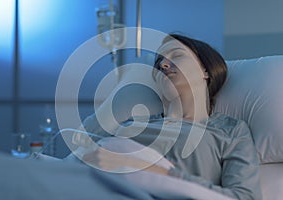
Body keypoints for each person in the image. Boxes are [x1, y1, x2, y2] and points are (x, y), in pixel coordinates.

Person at [81, 34, 262, 200]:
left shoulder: (230, 131)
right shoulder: (131, 124)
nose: (163, 65)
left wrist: (147, 170)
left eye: (177, 55)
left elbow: (244, 197)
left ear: (205, 70)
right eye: (159, 61)